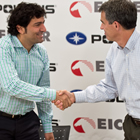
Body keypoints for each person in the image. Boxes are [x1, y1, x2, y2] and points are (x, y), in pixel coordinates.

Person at [54, 0, 140, 139]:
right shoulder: (114, 49)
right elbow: (109, 88)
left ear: (116, 25)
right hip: (131, 125)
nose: (101, 27)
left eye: (103, 22)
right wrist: (73, 96)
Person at [0, 2, 72, 140]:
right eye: (37, 24)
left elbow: (42, 89)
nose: (44, 29)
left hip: (28, 122)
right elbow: (11, 86)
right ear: (20, 29)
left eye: (43, 23)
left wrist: (48, 128)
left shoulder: (41, 52)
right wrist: (54, 95)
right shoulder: (3, 47)